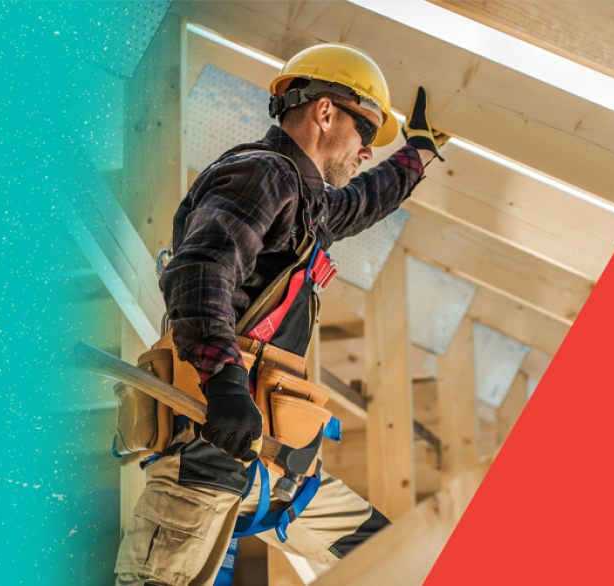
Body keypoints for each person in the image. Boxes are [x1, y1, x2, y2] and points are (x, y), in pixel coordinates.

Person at [115, 43, 448, 586]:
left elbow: (367, 199)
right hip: (207, 455)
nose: (367, 151)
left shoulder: (306, 202)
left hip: (273, 465)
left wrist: (418, 153)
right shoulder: (262, 174)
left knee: (400, 559)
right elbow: (201, 272)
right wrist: (225, 386)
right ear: (324, 112)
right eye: (365, 133)